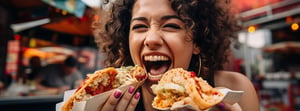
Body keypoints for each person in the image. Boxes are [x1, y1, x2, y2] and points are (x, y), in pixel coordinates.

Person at [92, 0, 260, 111]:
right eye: (140, 27)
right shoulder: (103, 100)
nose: (151, 39)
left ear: (197, 42)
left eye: (171, 25)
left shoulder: (236, 90)